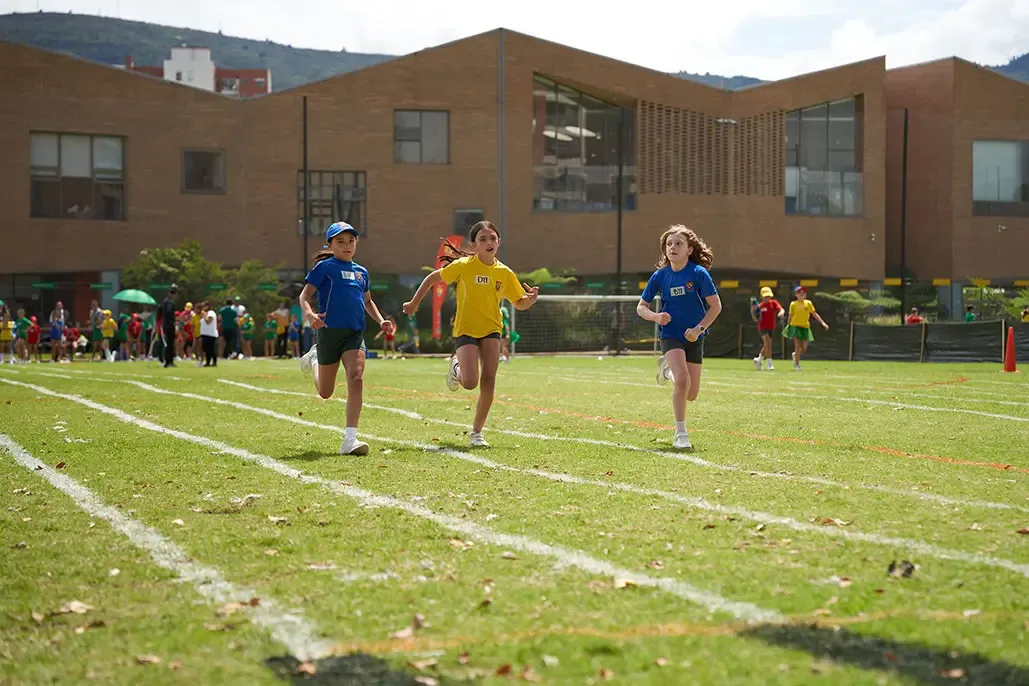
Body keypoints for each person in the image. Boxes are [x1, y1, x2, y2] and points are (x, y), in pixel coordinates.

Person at [403, 220, 539, 448]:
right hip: (466, 330)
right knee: (469, 382)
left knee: (489, 380)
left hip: (492, 330)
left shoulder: (504, 273)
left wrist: (530, 300)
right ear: (474, 245)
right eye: (483, 239)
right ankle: (456, 367)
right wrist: (413, 303)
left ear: (499, 242)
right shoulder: (464, 266)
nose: (489, 243)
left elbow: (519, 303)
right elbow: (431, 279)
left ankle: (476, 433)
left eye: (493, 239)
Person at [297, 222, 393, 456]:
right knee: (325, 392)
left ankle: (350, 439)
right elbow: (305, 295)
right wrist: (309, 314)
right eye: (340, 241)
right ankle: (315, 359)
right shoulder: (325, 268)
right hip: (329, 332)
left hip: (354, 334)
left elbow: (368, 301)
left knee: (356, 376)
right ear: (330, 244)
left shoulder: (362, 272)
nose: (347, 246)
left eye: (351, 241)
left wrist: (381, 321)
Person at [636, 224, 722, 451]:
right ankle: (680, 433)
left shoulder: (698, 274)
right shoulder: (659, 276)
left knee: (691, 394)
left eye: (678, 244)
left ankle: (667, 370)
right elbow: (641, 307)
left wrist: (698, 329)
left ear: (689, 250)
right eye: (669, 244)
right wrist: (656, 316)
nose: (672, 247)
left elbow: (715, 307)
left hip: (694, 337)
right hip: (670, 334)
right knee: (682, 380)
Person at [783, 286, 829, 371]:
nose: (801, 295)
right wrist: (788, 325)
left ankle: (795, 355)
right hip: (795, 326)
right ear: (796, 295)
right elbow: (790, 315)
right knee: (797, 345)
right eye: (799, 293)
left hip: (805, 327)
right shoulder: (793, 304)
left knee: (804, 348)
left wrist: (822, 323)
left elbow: (814, 314)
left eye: (803, 293)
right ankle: (797, 365)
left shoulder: (808, 303)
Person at [753, 286, 784, 371]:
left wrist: (781, 313)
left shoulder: (773, 303)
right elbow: (756, 319)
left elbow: (781, 309)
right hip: (762, 327)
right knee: (768, 344)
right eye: (765, 296)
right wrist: (752, 311)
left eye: (769, 296)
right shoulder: (759, 306)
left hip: (771, 327)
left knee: (766, 345)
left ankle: (758, 360)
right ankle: (769, 364)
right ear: (762, 296)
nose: (767, 298)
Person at [157, 285, 178, 368]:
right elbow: (169, 313)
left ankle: (169, 361)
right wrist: (173, 322)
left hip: (165, 324)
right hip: (169, 325)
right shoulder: (169, 302)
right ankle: (168, 361)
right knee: (169, 343)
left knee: (169, 343)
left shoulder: (164, 301)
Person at [199, 301, 219, 367]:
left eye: (204, 306)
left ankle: (214, 362)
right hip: (204, 334)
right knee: (206, 349)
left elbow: (208, 321)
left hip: (211, 334)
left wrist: (204, 316)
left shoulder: (211, 313)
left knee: (211, 349)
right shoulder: (204, 313)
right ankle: (207, 362)